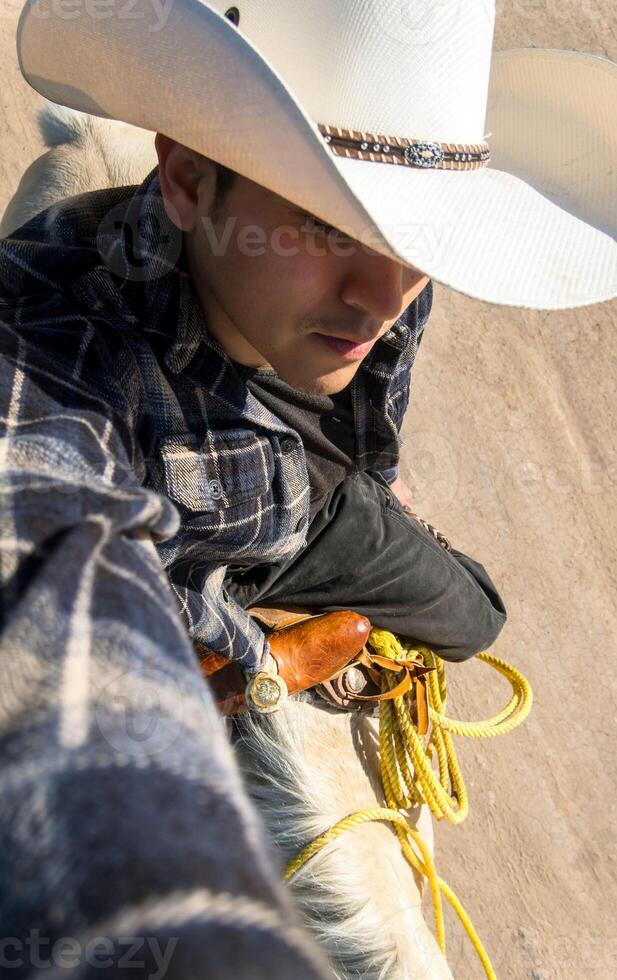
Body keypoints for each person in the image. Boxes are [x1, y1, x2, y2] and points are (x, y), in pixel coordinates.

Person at [2, 1, 615, 977]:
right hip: (247, 526)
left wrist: (379, 478)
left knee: (471, 614)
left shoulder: (365, 279)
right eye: (327, 220)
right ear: (188, 173)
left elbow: (375, 389)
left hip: (314, 497)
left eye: (418, 239)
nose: (381, 292)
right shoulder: (51, 399)